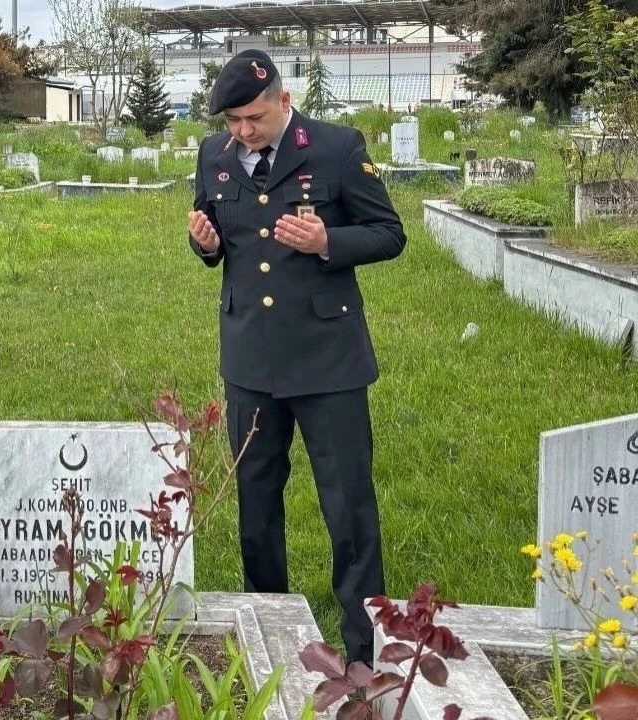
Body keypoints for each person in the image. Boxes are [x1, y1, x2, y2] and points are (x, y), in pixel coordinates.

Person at [187, 49, 406, 667]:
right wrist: (204, 245)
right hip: (250, 358)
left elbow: (390, 233)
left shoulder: (336, 148)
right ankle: (269, 630)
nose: (243, 132)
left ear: (284, 101)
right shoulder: (214, 156)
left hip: (326, 358)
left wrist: (328, 239)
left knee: (347, 504)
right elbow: (217, 235)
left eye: (254, 118)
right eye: (233, 121)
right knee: (256, 503)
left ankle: (364, 648)